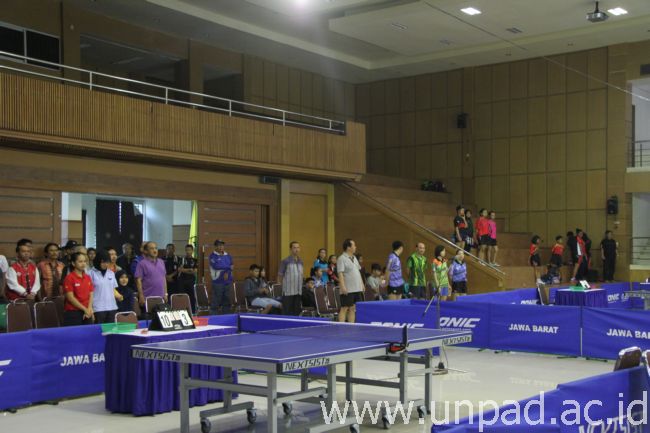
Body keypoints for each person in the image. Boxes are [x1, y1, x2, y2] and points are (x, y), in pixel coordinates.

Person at [62, 252, 94, 326]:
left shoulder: (87, 277)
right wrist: (84, 309)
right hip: (73, 313)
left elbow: (91, 294)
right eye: (80, 261)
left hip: (87, 312)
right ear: (73, 263)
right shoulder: (69, 278)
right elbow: (70, 298)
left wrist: (89, 309)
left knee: (88, 332)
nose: (83, 264)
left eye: (84, 261)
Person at [90, 250, 120, 324]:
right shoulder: (90, 273)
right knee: (98, 330)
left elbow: (113, 289)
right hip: (97, 308)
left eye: (107, 262)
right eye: (103, 262)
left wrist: (119, 295)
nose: (105, 264)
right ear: (98, 261)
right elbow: (88, 292)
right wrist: (90, 308)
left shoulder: (111, 273)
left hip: (112, 307)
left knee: (111, 330)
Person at [337, 239, 364, 323]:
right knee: (344, 308)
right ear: (348, 247)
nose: (355, 247)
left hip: (357, 288)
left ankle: (351, 326)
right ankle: (341, 326)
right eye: (354, 245)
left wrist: (362, 284)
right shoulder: (341, 258)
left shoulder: (354, 258)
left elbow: (358, 272)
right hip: (348, 288)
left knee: (353, 308)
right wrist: (343, 287)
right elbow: (340, 273)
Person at [134, 241, 168, 308]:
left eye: (156, 248)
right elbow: (138, 281)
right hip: (148, 297)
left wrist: (166, 294)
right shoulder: (141, 264)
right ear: (146, 251)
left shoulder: (161, 262)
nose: (155, 250)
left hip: (161, 297)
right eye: (152, 248)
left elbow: (163, 278)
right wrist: (141, 296)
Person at [277, 241, 304, 315]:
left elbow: (301, 275)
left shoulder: (301, 261)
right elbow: (280, 275)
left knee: (296, 312)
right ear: (291, 249)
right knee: (286, 312)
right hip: (288, 291)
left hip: (298, 291)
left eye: (298, 247)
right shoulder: (285, 261)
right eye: (294, 248)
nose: (296, 249)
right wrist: (281, 286)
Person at [209, 239, 233, 314]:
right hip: (217, 282)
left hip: (228, 281)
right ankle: (213, 318)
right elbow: (216, 266)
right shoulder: (212, 256)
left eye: (222, 245)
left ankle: (226, 318)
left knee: (227, 302)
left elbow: (232, 266)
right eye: (219, 245)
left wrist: (227, 271)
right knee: (216, 302)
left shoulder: (228, 255)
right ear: (215, 246)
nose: (221, 247)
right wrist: (228, 267)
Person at [178, 244, 198, 313]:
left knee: (192, 297)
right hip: (182, 281)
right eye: (186, 250)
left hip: (191, 281)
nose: (188, 251)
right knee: (182, 297)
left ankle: (193, 312)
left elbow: (194, 271)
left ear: (192, 251)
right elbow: (179, 269)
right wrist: (189, 270)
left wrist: (184, 270)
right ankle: (182, 312)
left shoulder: (195, 260)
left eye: (189, 250)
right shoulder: (182, 259)